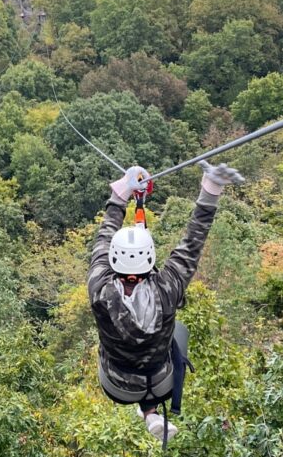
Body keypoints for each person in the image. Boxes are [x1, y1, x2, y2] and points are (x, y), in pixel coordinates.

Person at [87, 160, 244, 441]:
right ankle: (151, 412)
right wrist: (212, 187)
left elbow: (104, 236)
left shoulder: (99, 288)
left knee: (124, 351)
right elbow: (193, 242)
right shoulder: (167, 287)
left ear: (113, 258)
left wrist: (122, 193)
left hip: (117, 384)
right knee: (178, 332)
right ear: (150, 259)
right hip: (162, 383)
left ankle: (148, 413)